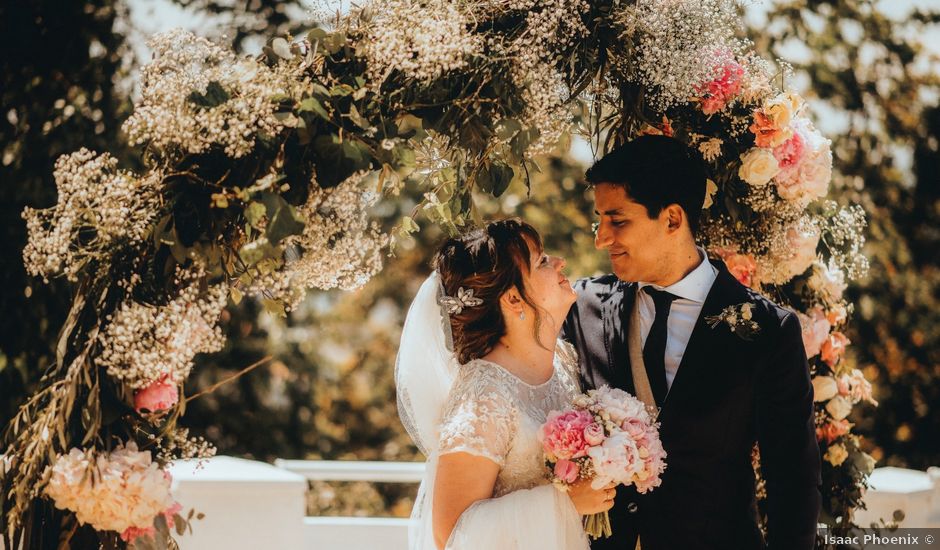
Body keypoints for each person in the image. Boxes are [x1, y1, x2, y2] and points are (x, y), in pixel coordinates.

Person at [561, 135, 822, 550]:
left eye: (618, 220)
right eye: (600, 219)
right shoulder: (580, 306)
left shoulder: (767, 330)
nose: (601, 238)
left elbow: (794, 479)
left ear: (672, 219)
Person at [396, 219, 611, 550]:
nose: (559, 262)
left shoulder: (565, 361)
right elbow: (450, 534)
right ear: (512, 300)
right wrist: (564, 504)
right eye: (541, 261)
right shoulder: (484, 397)